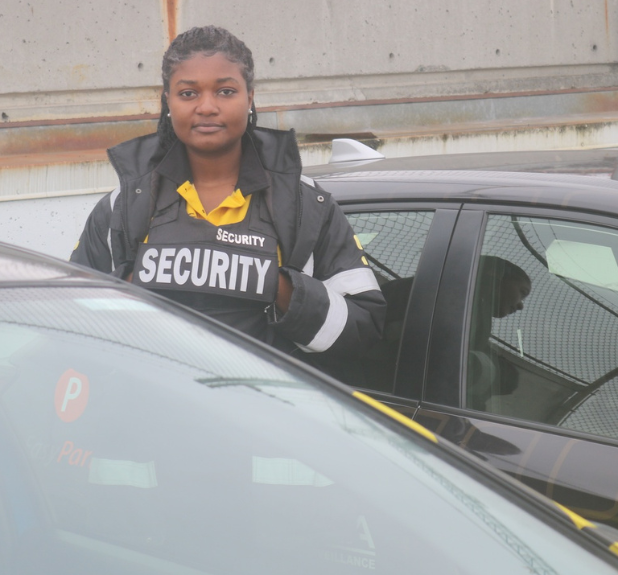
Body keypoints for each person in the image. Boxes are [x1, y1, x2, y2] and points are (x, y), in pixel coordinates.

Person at [70, 26, 385, 362]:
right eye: (188, 93)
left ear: (250, 97)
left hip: (266, 410)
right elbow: (68, 317)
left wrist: (276, 286)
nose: (207, 107)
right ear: (167, 101)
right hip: (150, 406)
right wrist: (131, 283)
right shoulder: (123, 205)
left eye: (225, 91)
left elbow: (362, 329)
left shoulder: (306, 205)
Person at [467, 256, 532, 410]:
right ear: (494, 275)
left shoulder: (471, 311)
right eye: (522, 292)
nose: (521, 305)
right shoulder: (457, 306)